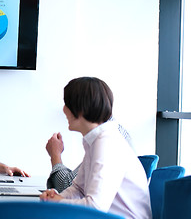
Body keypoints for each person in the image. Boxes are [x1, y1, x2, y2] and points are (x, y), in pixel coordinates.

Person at [40, 77, 151, 219]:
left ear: (80, 108)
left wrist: (59, 202)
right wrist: (56, 197)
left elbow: (95, 207)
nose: (63, 109)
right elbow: (78, 189)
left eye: (66, 104)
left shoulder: (108, 142)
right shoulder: (96, 140)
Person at [46, 118, 132, 192]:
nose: (65, 110)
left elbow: (67, 186)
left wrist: (55, 155)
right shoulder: (108, 133)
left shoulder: (109, 140)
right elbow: (75, 189)